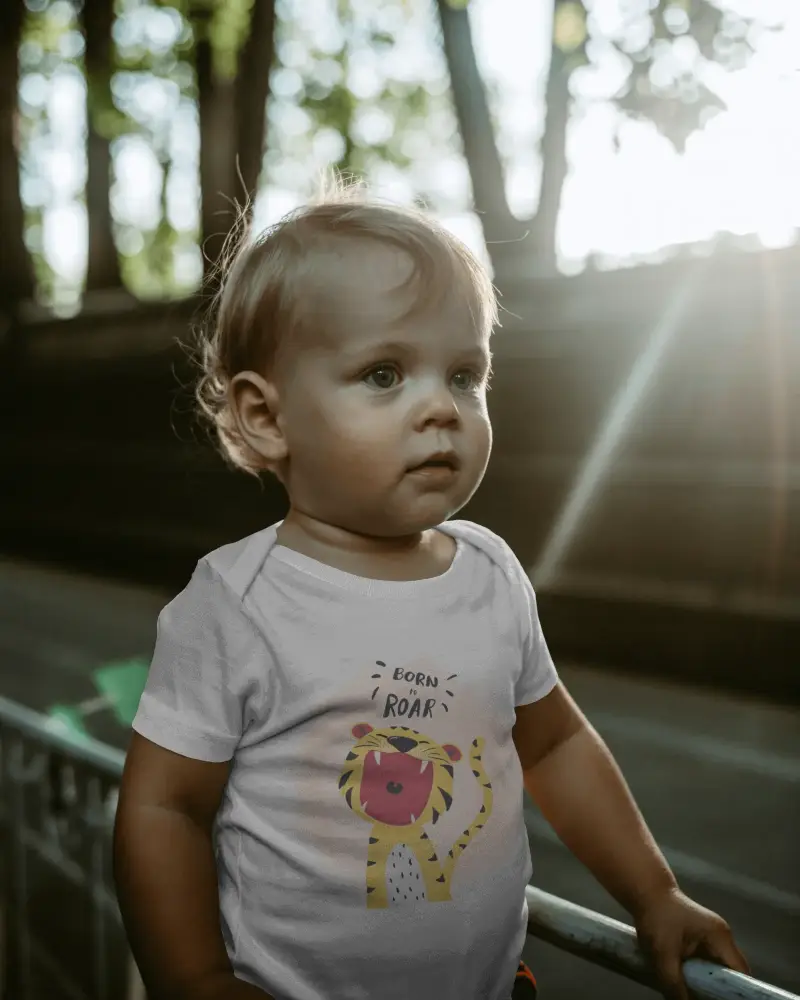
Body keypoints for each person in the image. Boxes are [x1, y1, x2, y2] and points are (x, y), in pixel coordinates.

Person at [113, 177, 750, 1000]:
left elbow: (554, 746)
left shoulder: (490, 574)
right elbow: (165, 808)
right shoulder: (236, 602)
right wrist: (193, 978)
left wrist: (653, 893)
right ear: (267, 417)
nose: (440, 409)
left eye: (464, 374)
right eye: (384, 374)